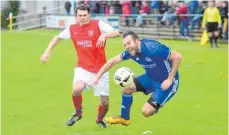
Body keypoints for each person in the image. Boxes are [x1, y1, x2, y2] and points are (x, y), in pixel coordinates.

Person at [40, 3, 119, 128]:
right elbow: (57, 37)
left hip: (101, 70)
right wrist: (47, 51)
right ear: (76, 16)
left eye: (84, 15)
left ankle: (99, 119)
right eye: (79, 15)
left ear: (89, 15)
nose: (82, 18)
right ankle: (78, 113)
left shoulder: (98, 24)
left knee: (105, 104)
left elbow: (116, 33)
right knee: (77, 89)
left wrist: (104, 35)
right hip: (83, 68)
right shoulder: (72, 29)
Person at [89, 30, 182, 126]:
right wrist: (97, 77)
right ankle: (124, 118)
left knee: (146, 112)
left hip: (167, 83)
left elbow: (177, 57)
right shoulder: (131, 52)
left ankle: (155, 107)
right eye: (125, 45)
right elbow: (112, 61)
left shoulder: (153, 48)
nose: (127, 47)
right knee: (126, 89)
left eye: (129, 43)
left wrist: (170, 79)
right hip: (150, 78)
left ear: (137, 41)